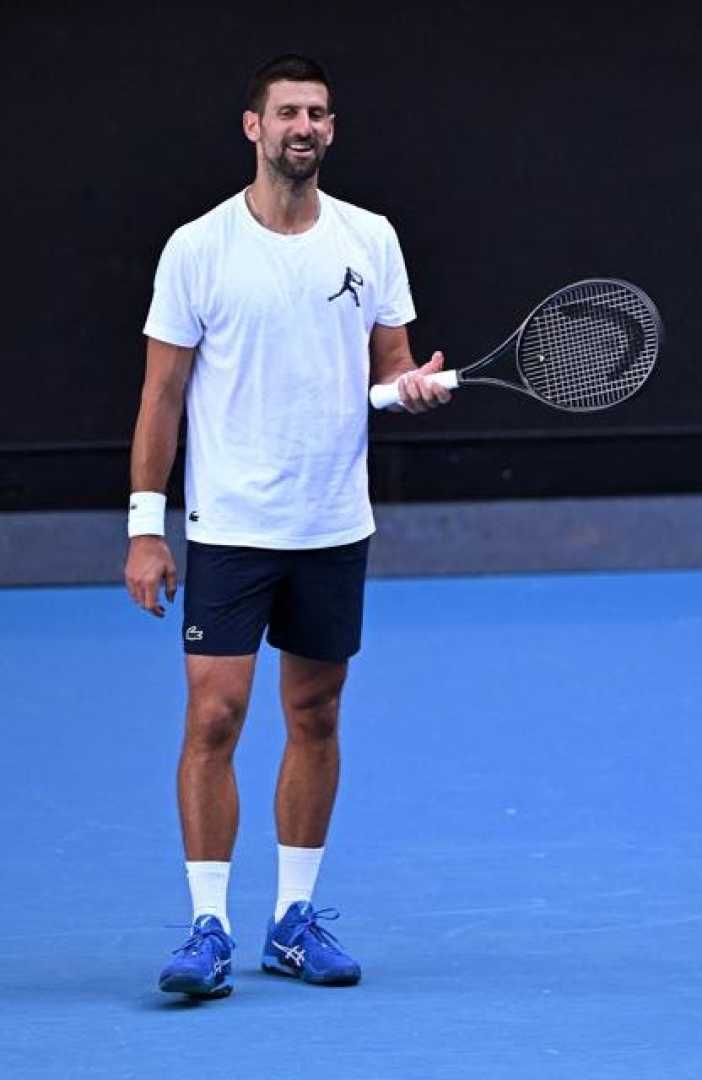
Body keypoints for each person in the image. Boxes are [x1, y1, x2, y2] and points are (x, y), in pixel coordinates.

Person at [124, 54, 452, 999]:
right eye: (287, 113)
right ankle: (208, 928)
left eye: (318, 113)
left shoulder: (370, 238)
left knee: (315, 714)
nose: (303, 126)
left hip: (332, 524)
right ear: (253, 128)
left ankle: (293, 924)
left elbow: (385, 371)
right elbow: (161, 397)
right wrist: (149, 527)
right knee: (214, 716)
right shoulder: (197, 248)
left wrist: (410, 392)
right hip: (229, 525)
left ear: (331, 131)